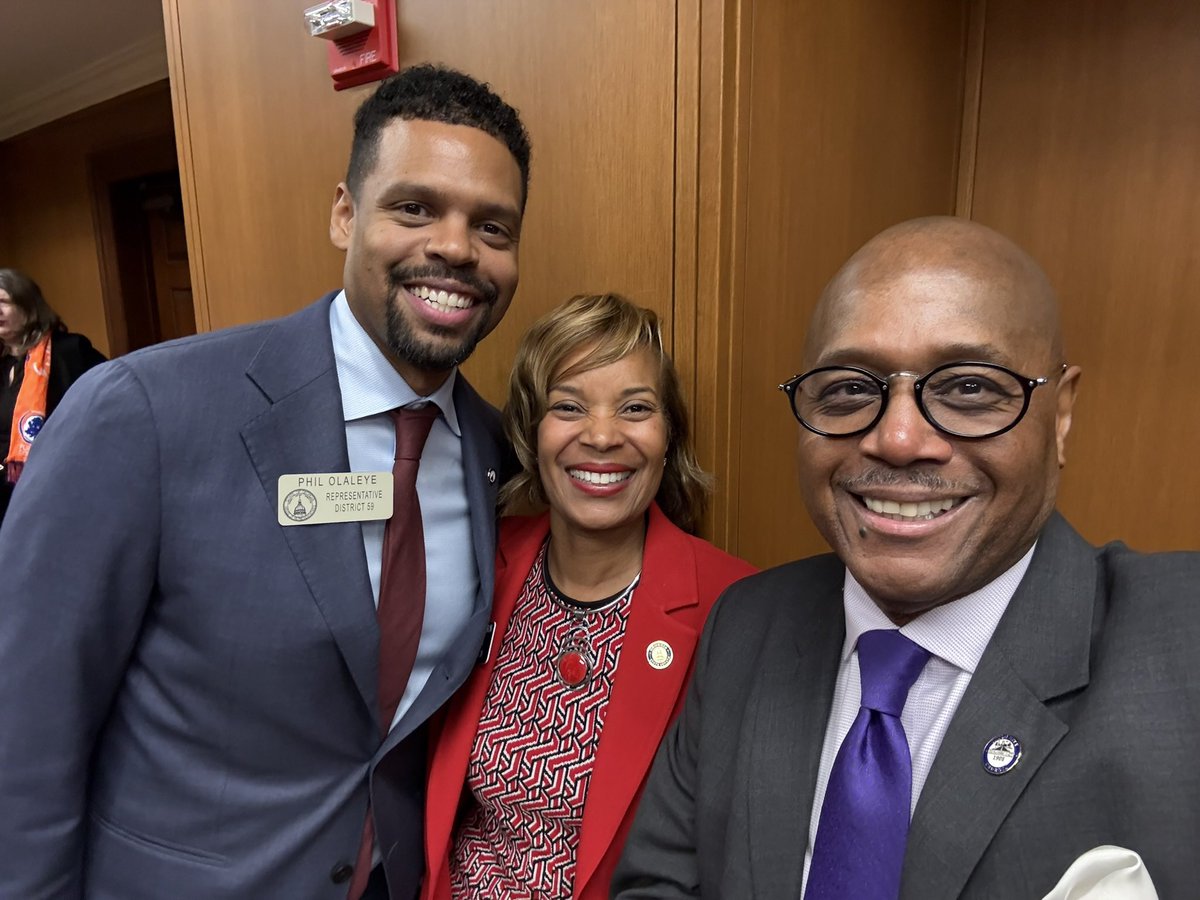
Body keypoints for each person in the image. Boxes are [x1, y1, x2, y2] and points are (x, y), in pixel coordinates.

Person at [0, 64, 530, 900]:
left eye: (492, 227)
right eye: (415, 207)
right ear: (345, 213)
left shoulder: (497, 453)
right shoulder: (144, 414)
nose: (457, 248)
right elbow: (23, 726)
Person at [613, 217, 1200, 899]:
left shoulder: (1179, 647)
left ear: (1060, 413)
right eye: (850, 389)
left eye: (969, 387)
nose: (896, 439)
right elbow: (657, 885)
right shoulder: (746, 626)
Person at [418, 293, 755, 900]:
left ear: (668, 433)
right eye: (569, 406)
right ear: (531, 430)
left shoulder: (737, 608)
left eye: (635, 408)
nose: (602, 436)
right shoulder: (480, 563)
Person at [0, 268, 106, 524]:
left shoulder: (69, 350)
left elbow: (109, 403)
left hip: (56, 481)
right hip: (7, 484)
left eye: (2, 302)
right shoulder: (4, 364)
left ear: (29, 307)